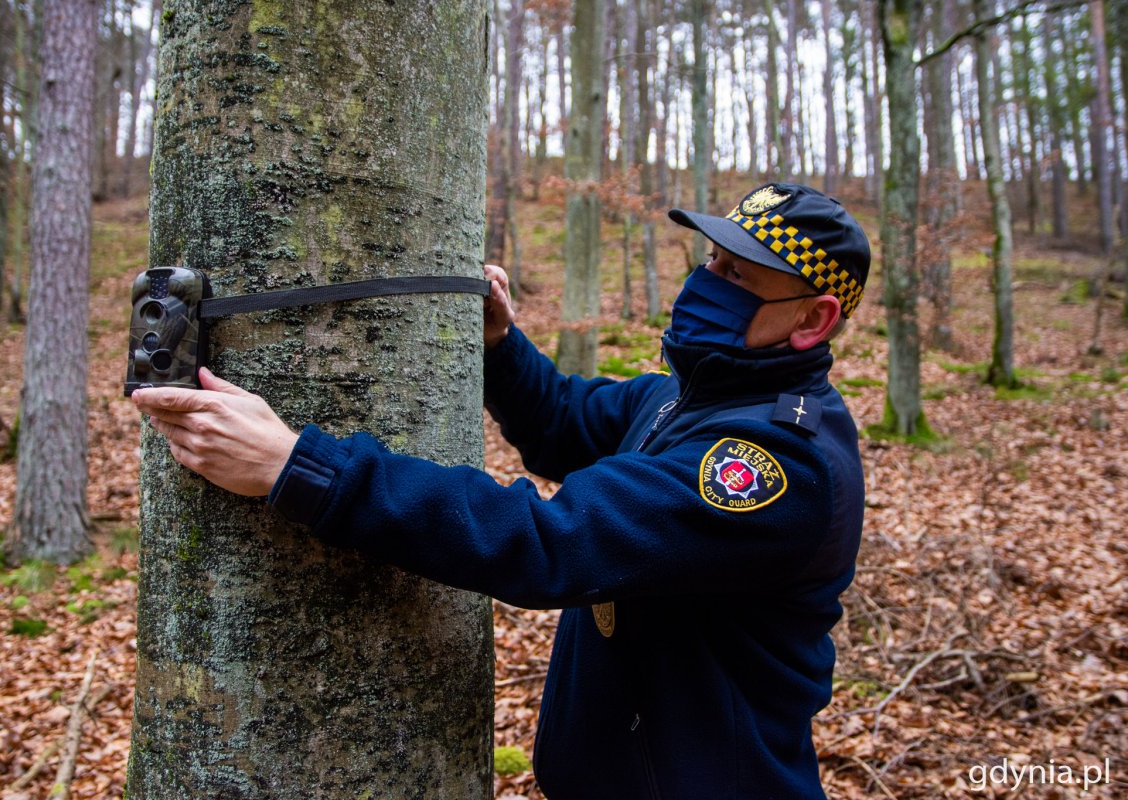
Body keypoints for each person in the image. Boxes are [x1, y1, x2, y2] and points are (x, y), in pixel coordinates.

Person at [133, 182, 871, 799]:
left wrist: (303, 468)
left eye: (738, 278)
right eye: (710, 259)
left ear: (813, 319)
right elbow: (563, 422)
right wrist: (500, 345)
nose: (706, 283)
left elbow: (552, 540)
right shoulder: (691, 399)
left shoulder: (777, 465)